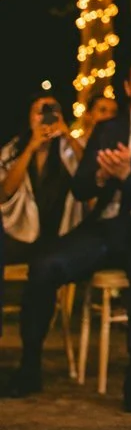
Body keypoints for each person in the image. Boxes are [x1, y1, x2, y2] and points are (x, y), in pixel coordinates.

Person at [0, 56, 131, 413]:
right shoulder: (109, 128)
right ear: (127, 87)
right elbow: (79, 189)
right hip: (106, 227)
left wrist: (128, 176)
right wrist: (98, 177)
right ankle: (30, 364)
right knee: (46, 263)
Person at [0, 94, 80, 287]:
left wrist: (67, 135)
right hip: (20, 234)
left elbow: (89, 173)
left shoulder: (68, 148)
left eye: (52, 112)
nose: (46, 118)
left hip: (61, 233)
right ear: (29, 117)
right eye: (40, 112)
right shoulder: (14, 149)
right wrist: (31, 148)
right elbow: (5, 193)